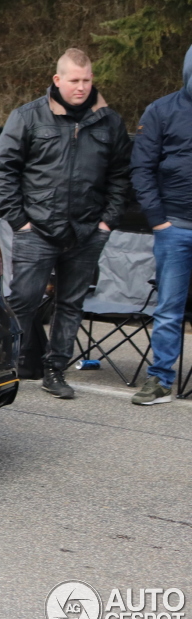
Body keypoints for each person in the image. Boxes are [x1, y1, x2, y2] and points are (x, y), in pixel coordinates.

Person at [0, 48, 130, 398]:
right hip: (36, 230)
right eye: (74, 80)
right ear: (57, 80)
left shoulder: (109, 121)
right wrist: (19, 221)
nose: (81, 87)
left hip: (86, 231)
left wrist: (107, 222)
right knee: (22, 300)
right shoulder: (28, 116)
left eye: (87, 80)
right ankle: (9, 366)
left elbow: (121, 175)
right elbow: (3, 170)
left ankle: (55, 371)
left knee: (70, 304)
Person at [127, 42, 192, 406]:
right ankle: (160, 380)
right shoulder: (161, 110)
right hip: (175, 229)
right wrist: (159, 221)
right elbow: (142, 169)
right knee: (169, 308)